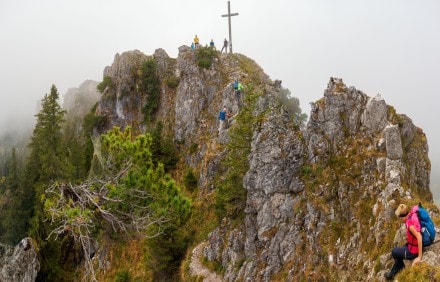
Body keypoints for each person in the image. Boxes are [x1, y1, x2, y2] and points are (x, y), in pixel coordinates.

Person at [385, 204, 423, 280]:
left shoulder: (409, 224)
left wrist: (419, 257)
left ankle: (401, 269)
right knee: (400, 250)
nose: (399, 219)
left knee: (394, 252)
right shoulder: (411, 215)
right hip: (412, 245)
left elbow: (419, 236)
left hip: (413, 252)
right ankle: (393, 272)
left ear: (403, 216)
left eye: (400, 217)